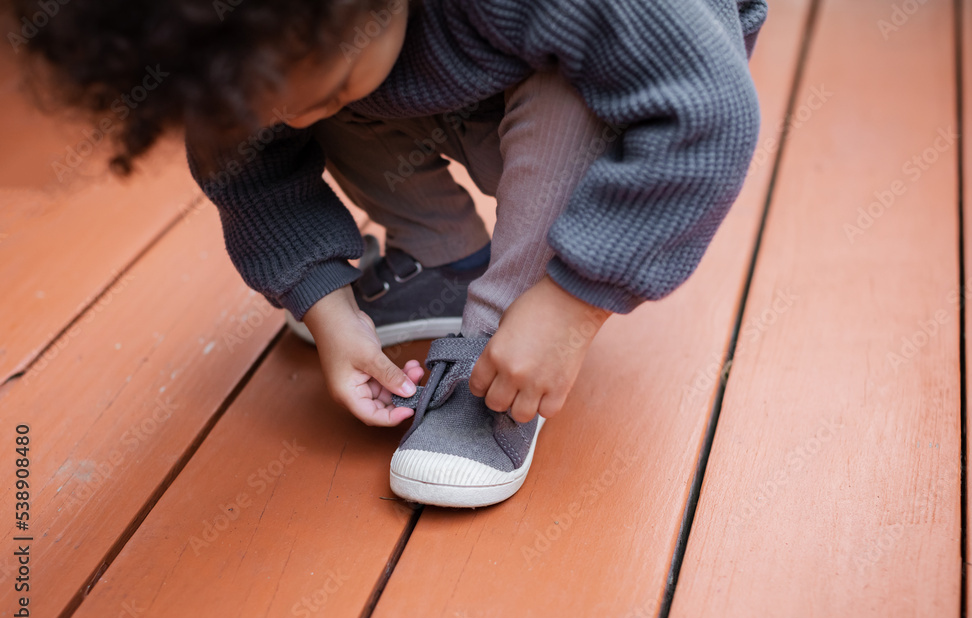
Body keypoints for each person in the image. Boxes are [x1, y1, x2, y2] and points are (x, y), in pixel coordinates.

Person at [8, 0, 767, 507]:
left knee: (570, 93)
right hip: (451, 75)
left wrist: (573, 304)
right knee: (319, 102)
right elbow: (246, 162)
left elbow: (708, 115)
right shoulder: (267, 38)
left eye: (325, 81)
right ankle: (446, 265)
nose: (294, 115)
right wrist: (328, 308)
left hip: (613, 103)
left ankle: (499, 348)